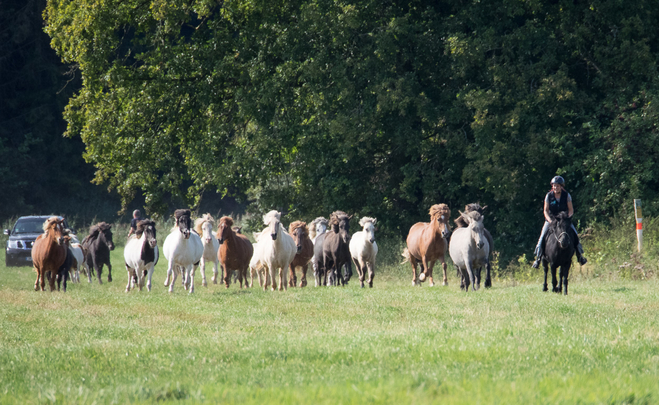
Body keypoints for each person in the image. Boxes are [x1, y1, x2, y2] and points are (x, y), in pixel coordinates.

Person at [532, 176, 587, 268]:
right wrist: (549, 220)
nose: (555, 187)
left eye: (557, 186)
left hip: (563, 220)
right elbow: (545, 210)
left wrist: (567, 219)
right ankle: (538, 258)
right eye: (554, 186)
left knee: (575, 235)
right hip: (551, 220)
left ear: (561, 186)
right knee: (542, 237)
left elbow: (571, 210)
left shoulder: (567, 195)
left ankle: (580, 256)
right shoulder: (548, 196)